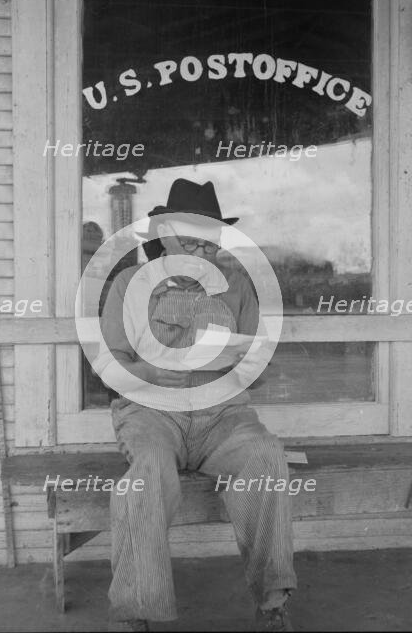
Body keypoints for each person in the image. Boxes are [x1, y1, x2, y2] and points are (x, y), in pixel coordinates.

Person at [93, 179, 296, 632]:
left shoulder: (239, 285)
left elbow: (257, 370)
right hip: (152, 414)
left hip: (223, 415)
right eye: (186, 231)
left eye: (207, 234)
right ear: (163, 232)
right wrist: (149, 374)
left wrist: (236, 365)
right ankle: (136, 612)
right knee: (146, 475)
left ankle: (272, 605)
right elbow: (108, 367)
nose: (196, 243)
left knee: (266, 456)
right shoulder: (129, 283)